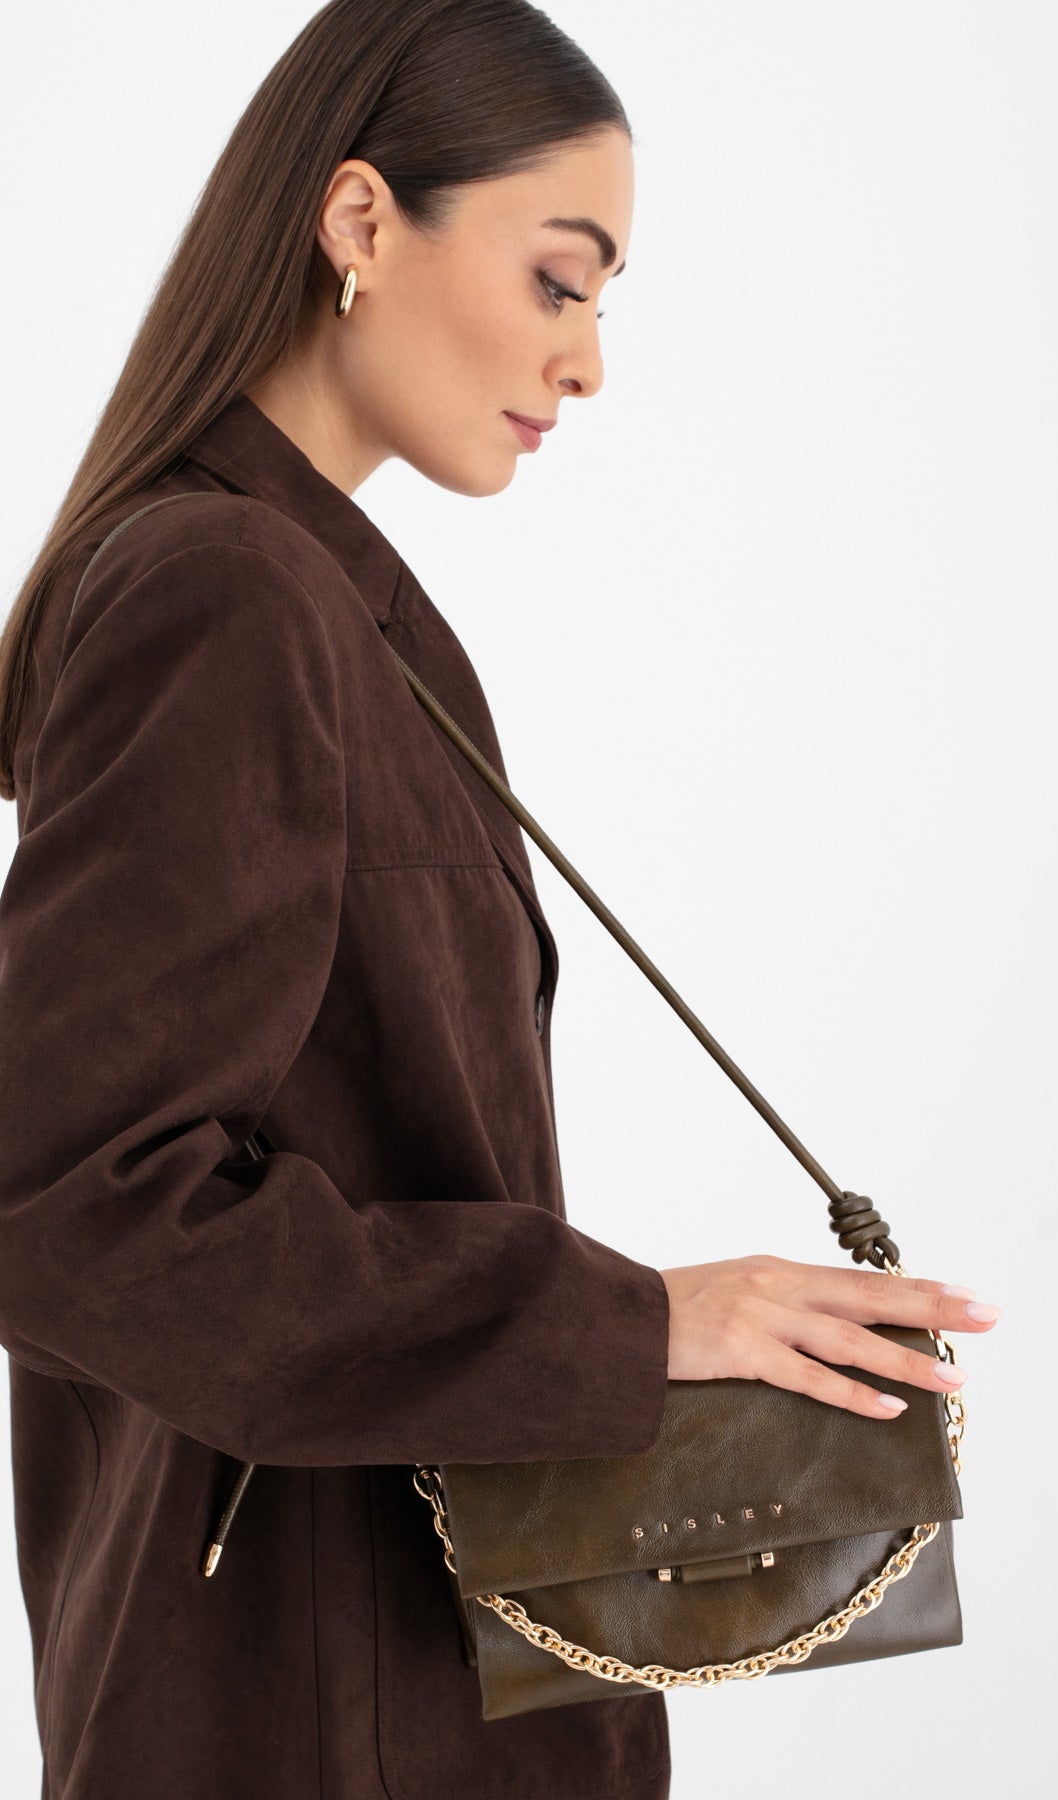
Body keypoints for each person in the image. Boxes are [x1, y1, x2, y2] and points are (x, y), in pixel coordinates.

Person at [0, 2, 1003, 1795]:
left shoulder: (327, 604)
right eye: (559, 279)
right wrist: (633, 1326)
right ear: (361, 222)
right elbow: (60, 1204)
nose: (589, 360)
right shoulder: (232, 593)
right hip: (322, 1716)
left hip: (387, 1677)